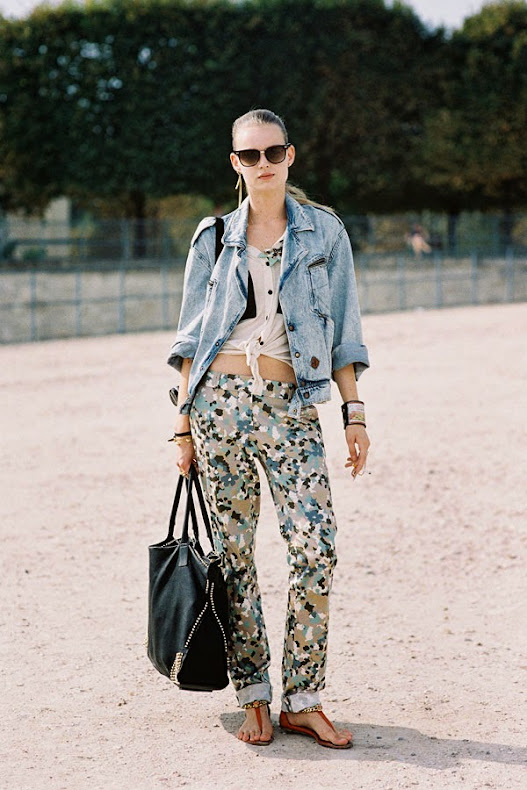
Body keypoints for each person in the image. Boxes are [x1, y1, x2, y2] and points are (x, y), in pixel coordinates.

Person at [167, 109, 370, 749]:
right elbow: (189, 340)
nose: (263, 164)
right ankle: (253, 692)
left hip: (291, 405)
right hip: (218, 406)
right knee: (234, 555)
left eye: (273, 153)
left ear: (290, 157)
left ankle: (302, 698)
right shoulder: (213, 237)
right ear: (236, 163)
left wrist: (354, 411)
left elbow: (344, 330)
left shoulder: (324, 232)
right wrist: (181, 425)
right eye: (250, 155)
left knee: (316, 545)